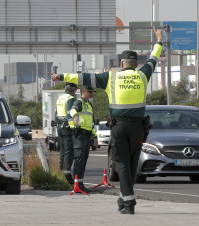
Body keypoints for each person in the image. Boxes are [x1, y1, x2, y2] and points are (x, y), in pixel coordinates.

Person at [51, 26, 163, 214]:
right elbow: (154, 59)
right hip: (138, 128)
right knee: (132, 163)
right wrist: (159, 40)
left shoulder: (111, 78)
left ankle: (129, 202)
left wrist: (61, 76)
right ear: (135, 64)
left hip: (119, 127)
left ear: (121, 64)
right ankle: (123, 198)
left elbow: (84, 77)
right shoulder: (143, 75)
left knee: (121, 164)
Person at [69, 85, 98, 193]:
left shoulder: (89, 104)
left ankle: (80, 184)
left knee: (84, 159)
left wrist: (95, 137)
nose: (91, 94)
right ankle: (76, 185)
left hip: (87, 135)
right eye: (90, 91)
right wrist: (76, 116)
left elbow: (91, 123)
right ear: (83, 91)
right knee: (79, 159)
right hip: (79, 135)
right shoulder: (79, 102)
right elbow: (72, 111)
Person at [55, 82, 78, 185]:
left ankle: (60, 174)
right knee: (69, 152)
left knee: (63, 152)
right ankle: (67, 176)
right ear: (72, 90)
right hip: (67, 127)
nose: (75, 92)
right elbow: (70, 114)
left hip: (59, 126)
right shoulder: (70, 99)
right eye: (75, 90)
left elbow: (56, 114)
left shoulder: (60, 98)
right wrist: (74, 127)